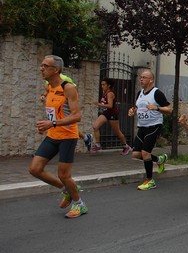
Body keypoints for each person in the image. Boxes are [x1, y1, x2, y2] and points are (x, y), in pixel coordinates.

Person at [29, 55, 87, 218]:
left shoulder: (68, 88)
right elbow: (53, 111)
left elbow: (77, 116)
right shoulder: (49, 87)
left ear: (55, 70)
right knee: (35, 169)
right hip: (52, 135)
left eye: (45, 66)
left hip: (68, 136)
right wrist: (47, 125)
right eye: (41, 65)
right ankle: (66, 190)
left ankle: (79, 204)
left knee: (64, 175)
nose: (41, 68)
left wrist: (52, 124)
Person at [128, 70, 172, 190]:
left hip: (154, 125)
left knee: (145, 152)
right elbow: (137, 107)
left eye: (144, 77)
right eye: (140, 77)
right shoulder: (140, 93)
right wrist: (133, 111)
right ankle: (159, 159)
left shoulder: (157, 93)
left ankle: (150, 180)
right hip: (142, 126)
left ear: (151, 80)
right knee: (136, 154)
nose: (141, 79)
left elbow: (169, 109)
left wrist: (156, 108)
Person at [89, 78, 132, 155]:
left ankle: (126, 146)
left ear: (108, 85)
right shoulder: (104, 92)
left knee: (117, 132)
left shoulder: (110, 93)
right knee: (95, 126)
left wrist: (99, 104)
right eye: (101, 84)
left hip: (112, 114)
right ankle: (98, 145)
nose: (102, 86)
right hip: (105, 113)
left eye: (104, 85)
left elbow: (110, 105)